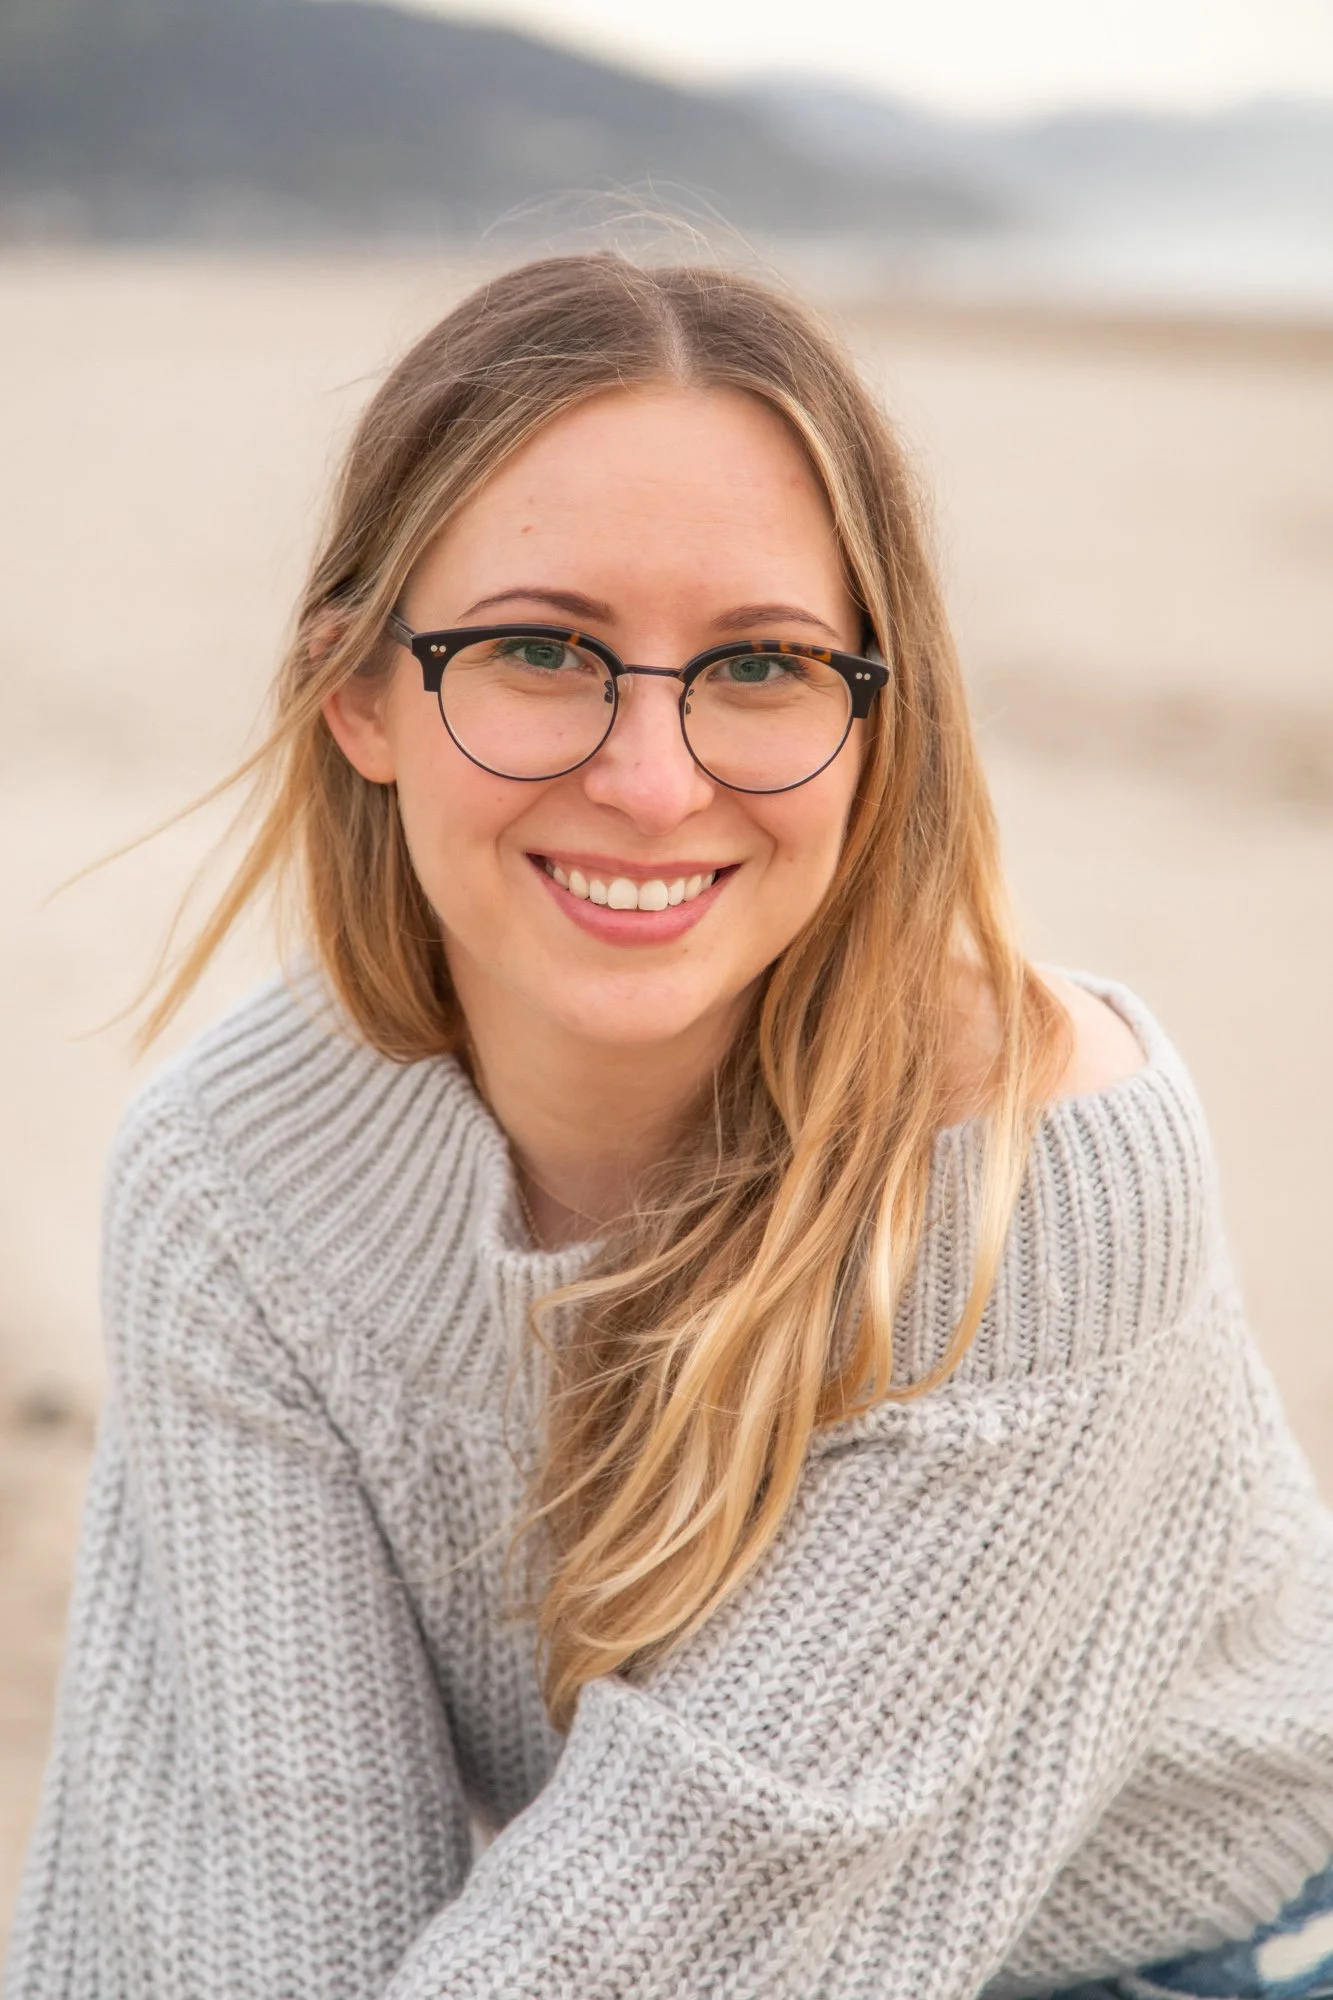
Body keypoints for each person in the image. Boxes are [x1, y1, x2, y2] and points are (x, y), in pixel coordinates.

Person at [6, 253, 1333, 2000]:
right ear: (361, 693)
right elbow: (256, 1885)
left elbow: (710, 1910)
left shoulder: (1036, 1178)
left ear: (879, 723)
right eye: (542, 649)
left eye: (763, 665)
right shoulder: (238, 1177)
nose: (652, 778)